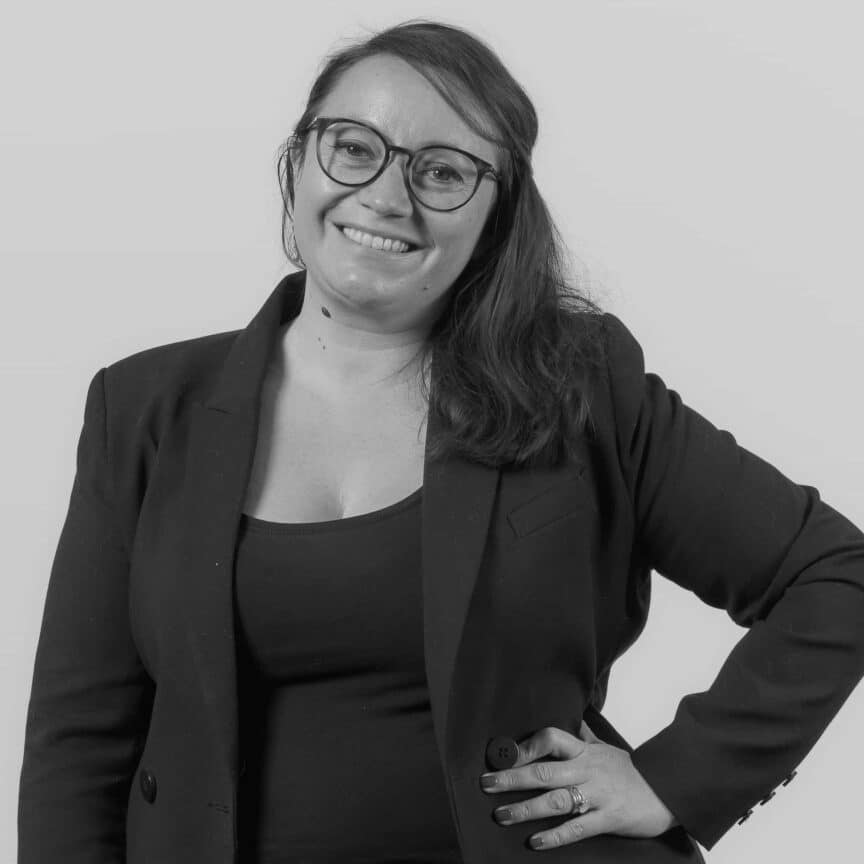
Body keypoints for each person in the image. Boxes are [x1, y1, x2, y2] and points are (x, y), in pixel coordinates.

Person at [17, 17, 864, 864]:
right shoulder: (143, 408)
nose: (387, 197)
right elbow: (78, 746)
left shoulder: (579, 385)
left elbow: (836, 575)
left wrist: (676, 780)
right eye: (354, 149)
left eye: (443, 172)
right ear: (299, 162)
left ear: (498, 214)